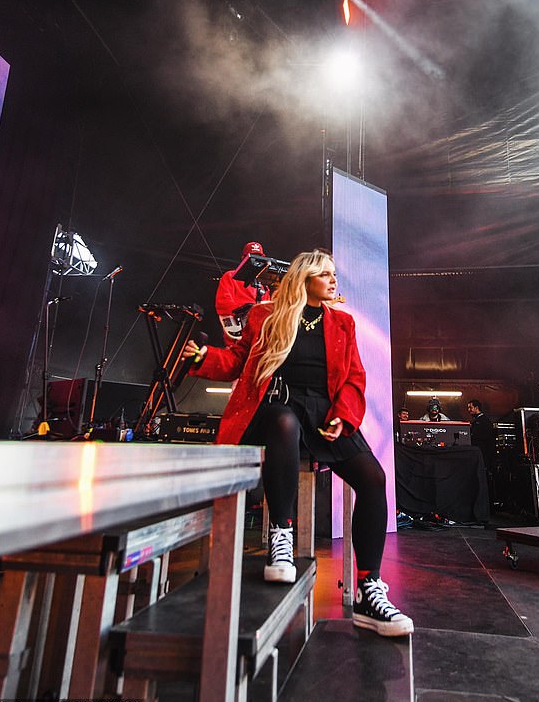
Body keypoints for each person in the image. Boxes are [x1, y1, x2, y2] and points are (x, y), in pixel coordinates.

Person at [182, 249, 413, 638]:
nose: (334, 280)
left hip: (325, 415)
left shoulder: (343, 323)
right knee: (285, 422)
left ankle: (368, 590)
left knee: (373, 479)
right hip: (275, 409)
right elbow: (237, 361)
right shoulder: (264, 315)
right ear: (305, 279)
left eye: (334, 274)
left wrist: (343, 415)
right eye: (325, 274)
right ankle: (281, 536)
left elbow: (355, 378)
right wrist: (205, 357)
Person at [215, 241, 271, 343]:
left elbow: (267, 310)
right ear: (243, 258)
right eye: (252, 257)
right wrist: (246, 312)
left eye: (259, 258)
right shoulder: (230, 276)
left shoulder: (264, 285)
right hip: (237, 331)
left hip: (256, 335)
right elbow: (223, 303)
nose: (256, 262)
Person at [467, 399, 497, 502]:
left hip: (484, 456)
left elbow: (481, 438)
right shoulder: (477, 421)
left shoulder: (484, 421)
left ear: (476, 408)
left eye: (470, 407)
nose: (469, 410)